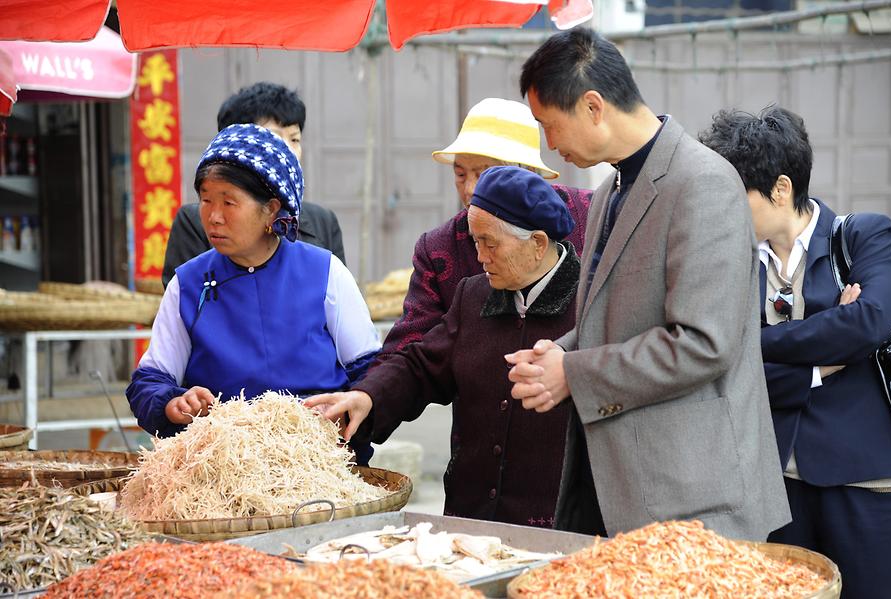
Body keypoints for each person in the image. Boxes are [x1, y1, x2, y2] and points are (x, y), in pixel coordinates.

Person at [505, 28, 791, 541]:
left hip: (695, 494)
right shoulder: (613, 186)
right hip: (626, 484)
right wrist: (561, 351)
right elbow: (618, 314)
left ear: (593, 107)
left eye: (550, 125)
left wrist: (573, 371)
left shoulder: (703, 182)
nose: (550, 144)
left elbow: (704, 344)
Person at [699, 105, 891, 599]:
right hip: (775, 485)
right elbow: (722, 370)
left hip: (867, 477)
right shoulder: (735, 262)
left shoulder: (862, 235)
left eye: (733, 196)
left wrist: (753, 342)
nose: (721, 210)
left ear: (781, 189)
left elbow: (870, 322)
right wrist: (826, 351)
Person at [307, 166, 580, 527]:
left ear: (538, 244)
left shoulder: (590, 303)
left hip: (556, 523)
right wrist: (367, 397)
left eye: (490, 244)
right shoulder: (473, 294)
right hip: (471, 518)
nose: (480, 256)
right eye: (475, 241)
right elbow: (421, 365)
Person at [128, 124, 381, 464]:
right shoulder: (188, 284)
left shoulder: (325, 272)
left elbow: (372, 369)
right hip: (222, 468)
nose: (213, 216)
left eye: (229, 202)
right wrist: (173, 404)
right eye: (205, 200)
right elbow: (149, 381)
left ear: (271, 210)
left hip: (321, 464)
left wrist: (349, 406)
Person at [379, 97, 592, 358]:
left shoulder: (591, 215)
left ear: (526, 171)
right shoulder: (438, 248)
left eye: (485, 174)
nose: (470, 189)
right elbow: (410, 353)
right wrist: (369, 394)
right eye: (460, 174)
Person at [162, 82, 344, 288]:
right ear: (234, 142)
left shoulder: (323, 221)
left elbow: (334, 300)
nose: (287, 152)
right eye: (273, 139)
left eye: (294, 139)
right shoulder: (195, 222)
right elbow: (187, 298)